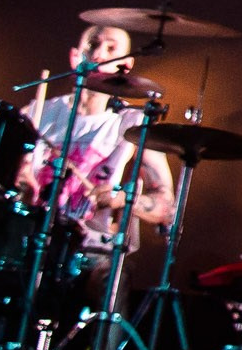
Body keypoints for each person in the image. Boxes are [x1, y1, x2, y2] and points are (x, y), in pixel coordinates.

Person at [15, 24, 176, 288]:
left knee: (108, 279)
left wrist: (123, 199)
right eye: (93, 45)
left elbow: (167, 207)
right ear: (75, 57)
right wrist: (22, 184)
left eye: (111, 49)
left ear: (126, 65)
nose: (99, 54)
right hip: (30, 237)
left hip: (90, 249)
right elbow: (6, 178)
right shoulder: (37, 112)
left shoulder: (134, 123)